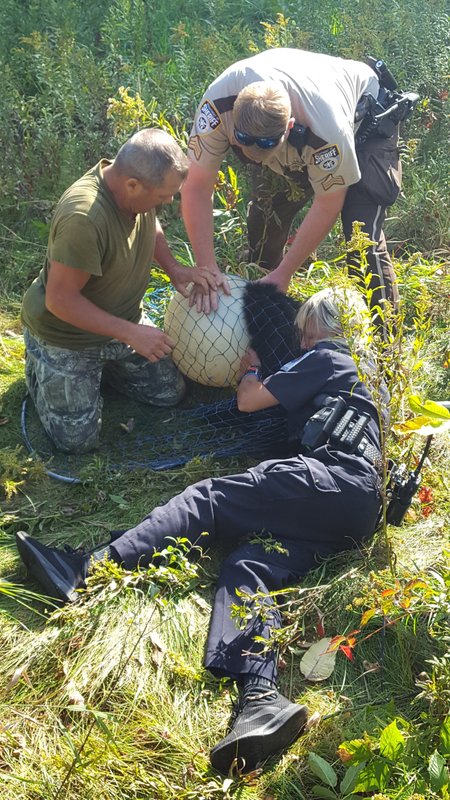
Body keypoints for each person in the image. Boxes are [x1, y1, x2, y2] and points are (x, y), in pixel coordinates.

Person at [16, 286, 384, 776]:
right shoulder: (373, 379)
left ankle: (87, 568)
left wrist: (251, 368)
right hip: (357, 511)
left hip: (331, 479)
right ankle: (262, 699)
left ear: (328, 329)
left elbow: (250, 401)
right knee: (247, 568)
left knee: (207, 497)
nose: (301, 342)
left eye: (307, 332)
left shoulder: (330, 356)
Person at [21, 128, 222, 454]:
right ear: (132, 185)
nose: (168, 202)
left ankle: (102, 372)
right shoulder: (83, 219)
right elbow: (60, 300)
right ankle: (40, 364)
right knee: (76, 443)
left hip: (121, 323)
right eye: (162, 197)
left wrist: (173, 268)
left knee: (169, 394)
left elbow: (151, 224)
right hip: (67, 336)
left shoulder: (137, 192)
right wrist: (132, 333)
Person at [181, 48, 404, 320]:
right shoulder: (217, 108)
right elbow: (196, 187)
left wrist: (286, 272)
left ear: (287, 128)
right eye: (242, 142)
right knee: (265, 219)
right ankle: (266, 304)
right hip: (290, 133)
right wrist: (207, 269)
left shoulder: (327, 130)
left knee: (361, 236)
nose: (253, 154)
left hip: (366, 122)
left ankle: (385, 344)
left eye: (265, 147)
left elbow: (328, 202)